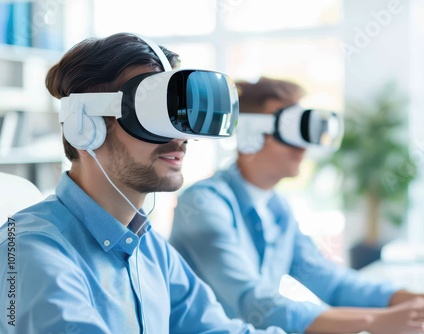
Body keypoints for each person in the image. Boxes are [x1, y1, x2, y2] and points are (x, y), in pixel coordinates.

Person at [0, 33, 286, 334]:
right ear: (84, 126)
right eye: (152, 116)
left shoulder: (148, 248)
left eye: (177, 115)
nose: (179, 138)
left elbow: (216, 330)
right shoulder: (31, 251)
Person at [169, 77, 424, 334]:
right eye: (289, 132)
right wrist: (373, 322)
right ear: (251, 135)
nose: (303, 147)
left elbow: (331, 281)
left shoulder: (277, 208)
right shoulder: (203, 203)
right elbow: (252, 301)